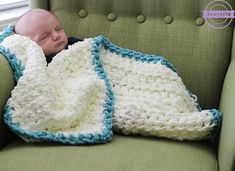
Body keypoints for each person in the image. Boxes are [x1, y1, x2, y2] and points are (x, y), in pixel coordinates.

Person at [14, 8, 82, 63]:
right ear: (31, 46)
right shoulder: (38, 63)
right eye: (44, 37)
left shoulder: (75, 44)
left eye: (58, 29)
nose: (56, 35)